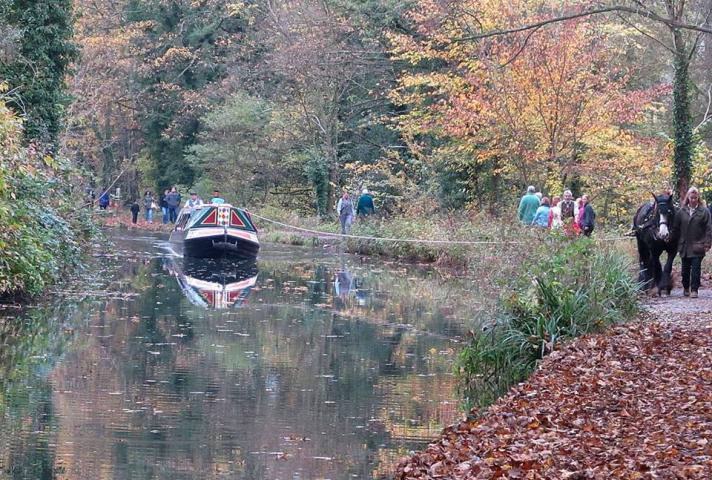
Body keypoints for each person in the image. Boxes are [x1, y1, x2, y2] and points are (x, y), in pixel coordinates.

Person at [674, 186, 712, 298]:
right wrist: (671, 240)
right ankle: (686, 287)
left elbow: (709, 228)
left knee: (696, 269)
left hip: (698, 245)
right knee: (685, 270)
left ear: (698, 198)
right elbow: (676, 228)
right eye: (691, 197)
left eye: (695, 198)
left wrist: (707, 243)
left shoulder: (704, 212)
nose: (693, 200)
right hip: (684, 246)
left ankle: (694, 290)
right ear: (688, 198)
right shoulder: (681, 212)